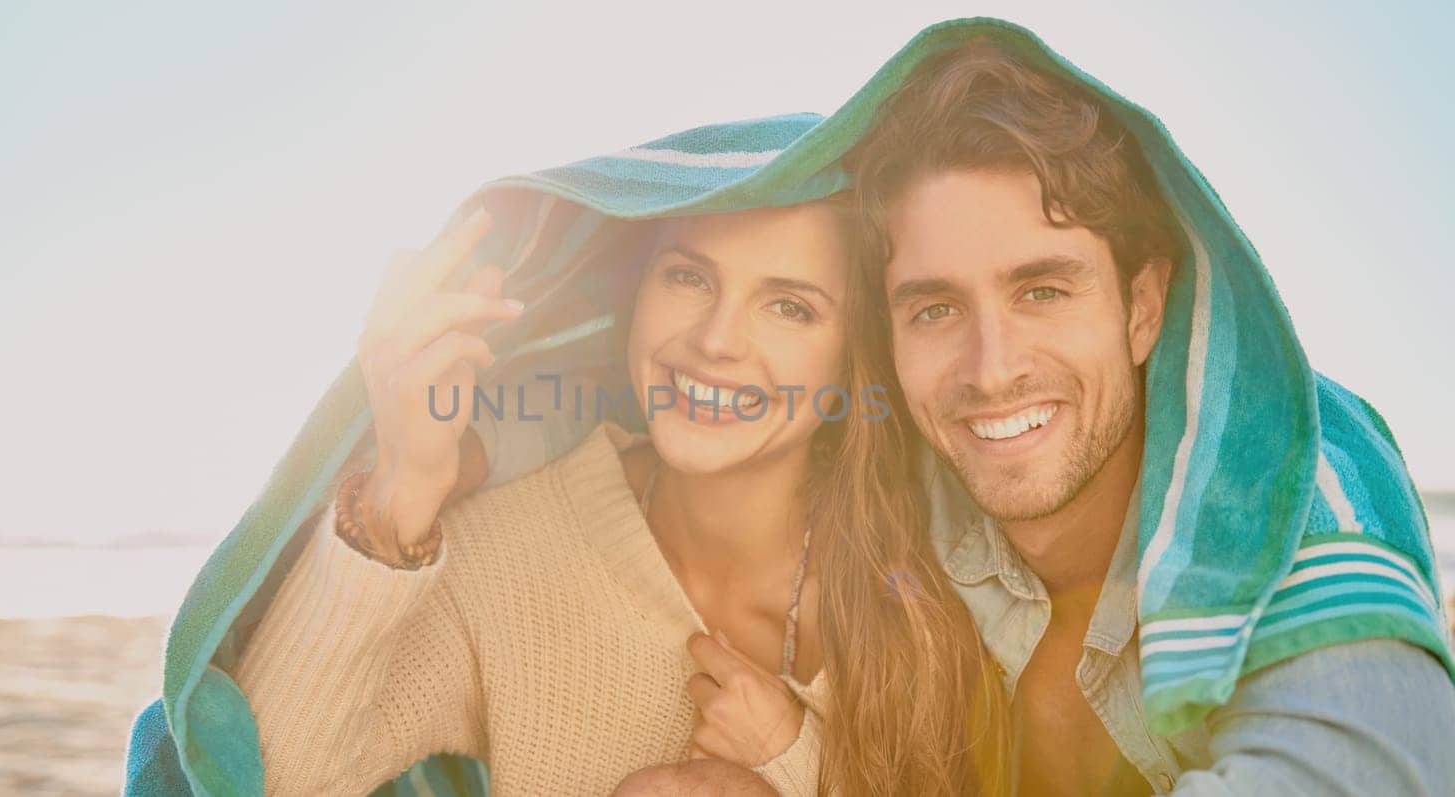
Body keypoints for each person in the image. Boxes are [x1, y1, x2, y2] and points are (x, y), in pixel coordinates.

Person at [228, 194, 999, 796]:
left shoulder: (931, 585)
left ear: (851, 354)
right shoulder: (505, 552)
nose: (717, 339)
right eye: (689, 276)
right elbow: (264, 781)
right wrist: (403, 491)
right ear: (636, 292)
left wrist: (794, 763)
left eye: (789, 305)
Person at [846, 33, 1455, 795]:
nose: (992, 368)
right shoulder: (892, 490)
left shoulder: (1292, 481)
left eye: (1043, 291)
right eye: (935, 308)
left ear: (1142, 307)